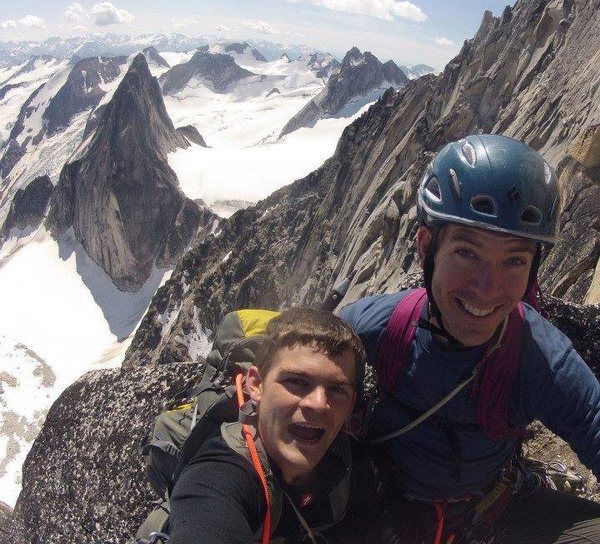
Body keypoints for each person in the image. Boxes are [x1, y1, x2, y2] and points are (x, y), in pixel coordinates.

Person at [340, 134, 600, 543]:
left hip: (491, 513)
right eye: (468, 253)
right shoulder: (380, 326)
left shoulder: (538, 357)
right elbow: (295, 375)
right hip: (382, 511)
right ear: (427, 248)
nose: (486, 288)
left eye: (514, 260)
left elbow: (593, 421)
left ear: (533, 270)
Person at [168, 307, 388, 544]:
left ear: (351, 405)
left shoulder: (355, 466)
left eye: (337, 390)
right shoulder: (216, 477)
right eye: (296, 381)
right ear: (256, 385)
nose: (318, 404)